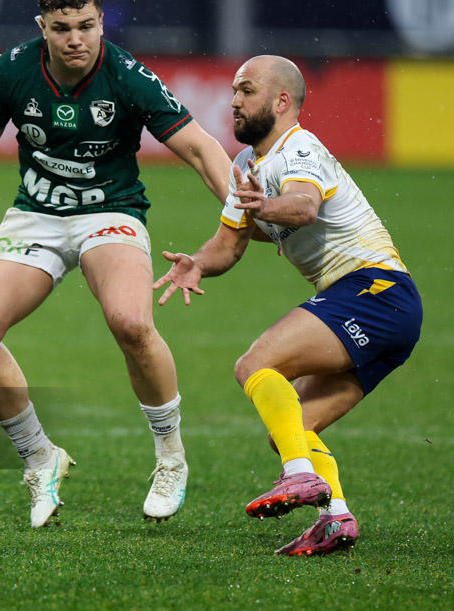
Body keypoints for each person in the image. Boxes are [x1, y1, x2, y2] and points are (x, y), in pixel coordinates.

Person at [0, 0, 231, 527]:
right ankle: (41, 459)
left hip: (110, 212)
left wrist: (242, 216)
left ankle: (170, 458)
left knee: (131, 322)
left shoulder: (129, 77)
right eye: (61, 29)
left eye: (86, 26)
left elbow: (202, 150)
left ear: (101, 23)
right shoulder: (12, 70)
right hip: (35, 214)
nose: (75, 39)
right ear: (43, 28)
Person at [153, 55, 422, 555]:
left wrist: (263, 206)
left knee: (255, 364)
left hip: (373, 290)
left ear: (281, 101)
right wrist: (197, 264)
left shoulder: (298, 147)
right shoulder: (244, 167)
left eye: (246, 90)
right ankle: (335, 517)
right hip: (382, 307)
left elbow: (303, 206)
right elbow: (228, 246)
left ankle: (298, 478)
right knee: (292, 429)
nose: (233, 100)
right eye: (234, 90)